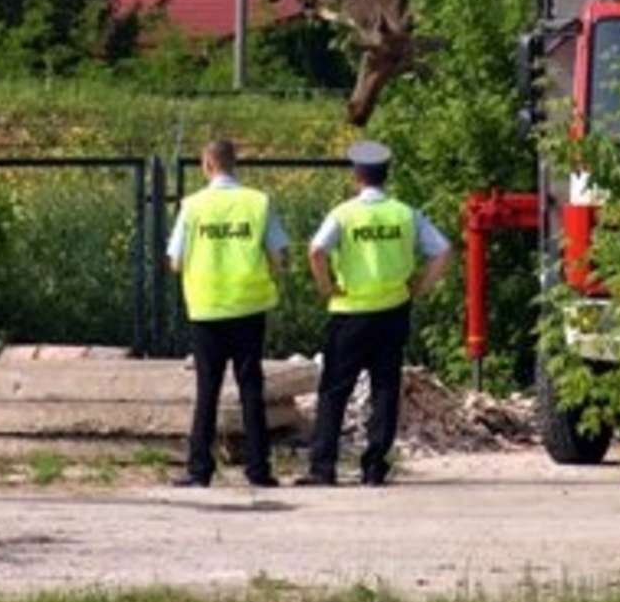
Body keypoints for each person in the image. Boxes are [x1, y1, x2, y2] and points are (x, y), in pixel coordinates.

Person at [297, 140, 452, 487]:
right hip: (393, 311)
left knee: (335, 390)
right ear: (386, 175)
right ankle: (374, 467)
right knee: (385, 388)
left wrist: (327, 286)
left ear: (356, 175)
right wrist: (420, 287)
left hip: (350, 313)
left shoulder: (344, 214)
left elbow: (316, 250)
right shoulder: (404, 213)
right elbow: (442, 251)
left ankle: (323, 468)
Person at [167, 136, 287, 489]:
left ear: (206, 164)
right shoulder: (258, 203)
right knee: (251, 386)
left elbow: (175, 261)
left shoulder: (192, 206)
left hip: (206, 308)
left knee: (208, 389)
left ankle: (199, 469)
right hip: (249, 306)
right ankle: (258, 469)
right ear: (235, 164)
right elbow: (280, 256)